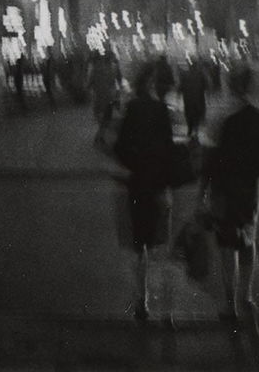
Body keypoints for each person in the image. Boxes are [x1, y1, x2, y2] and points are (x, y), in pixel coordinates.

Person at [202, 64, 259, 332]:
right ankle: (247, 295)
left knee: (226, 243)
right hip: (253, 187)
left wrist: (204, 191)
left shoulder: (221, 117)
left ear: (230, 86)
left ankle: (230, 303)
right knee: (248, 238)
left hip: (225, 187)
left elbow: (210, 158)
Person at [113, 62, 177, 322]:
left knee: (140, 246)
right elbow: (170, 149)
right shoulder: (161, 110)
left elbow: (119, 147)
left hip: (138, 183)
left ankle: (143, 301)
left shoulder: (132, 109)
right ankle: (167, 312)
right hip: (158, 183)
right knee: (161, 244)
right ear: (152, 84)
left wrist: (133, 164)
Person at [90, 49, 120, 144]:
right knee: (106, 118)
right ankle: (100, 136)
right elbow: (115, 82)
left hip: (99, 97)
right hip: (108, 97)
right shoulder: (113, 69)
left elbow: (90, 83)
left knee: (101, 117)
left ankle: (100, 136)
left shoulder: (95, 69)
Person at [179, 59, 207, 142]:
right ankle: (196, 129)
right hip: (198, 98)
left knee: (188, 114)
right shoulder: (200, 74)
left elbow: (181, 86)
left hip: (188, 98)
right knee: (197, 114)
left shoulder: (185, 74)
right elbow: (205, 86)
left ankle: (190, 128)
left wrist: (179, 93)